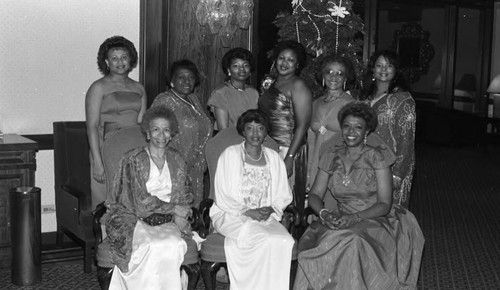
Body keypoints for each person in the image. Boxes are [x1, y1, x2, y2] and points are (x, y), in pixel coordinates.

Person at [294, 102, 424, 290]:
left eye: (358, 127)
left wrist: (354, 217)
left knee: (352, 241)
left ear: (367, 132)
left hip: (374, 218)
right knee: (321, 242)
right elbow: (314, 194)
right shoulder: (331, 155)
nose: (351, 131)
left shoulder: (376, 157)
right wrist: (324, 214)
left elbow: (385, 204)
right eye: (347, 126)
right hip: (339, 216)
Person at [102, 106, 193, 290]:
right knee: (151, 245)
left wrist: (180, 215)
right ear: (148, 133)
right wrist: (174, 208)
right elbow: (138, 201)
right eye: (156, 129)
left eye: (166, 130)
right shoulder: (133, 159)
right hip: (133, 218)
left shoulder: (177, 159)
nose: (161, 134)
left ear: (171, 134)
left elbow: (184, 192)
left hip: (168, 220)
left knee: (173, 244)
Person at [210, 109, 295, 290]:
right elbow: (221, 194)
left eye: (260, 128)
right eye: (250, 128)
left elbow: (283, 193)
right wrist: (247, 211)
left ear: (266, 132)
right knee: (261, 239)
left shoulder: (273, 158)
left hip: (265, 216)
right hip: (231, 214)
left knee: (284, 241)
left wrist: (272, 209)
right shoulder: (230, 155)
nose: (255, 134)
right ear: (243, 131)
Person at [85, 36, 147, 210]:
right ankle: (104, 235)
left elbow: (142, 123)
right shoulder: (98, 87)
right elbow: (91, 126)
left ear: (130, 60)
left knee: (134, 197)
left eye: (124, 57)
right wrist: (97, 161)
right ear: (106, 61)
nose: (120, 62)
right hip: (106, 147)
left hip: (133, 148)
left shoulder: (139, 88)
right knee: (107, 199)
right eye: (114, 58)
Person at [258, 40, 312, 216]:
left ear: (297, 65)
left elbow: (303, 125)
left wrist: (289, 157)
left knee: (283, 200)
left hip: (288, 148)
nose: (284, 63)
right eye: (281, 58)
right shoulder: (272, 84)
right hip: (269, 147)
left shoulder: (298, 85)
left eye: (290, 60)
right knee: (266, 197)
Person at [151, 59, 213, 208]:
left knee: (193, 210)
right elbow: (154, 133)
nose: (187, 81)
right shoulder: (164, 100)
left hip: (196, 167)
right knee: (176, 210)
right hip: (174, 167)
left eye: (190, 77)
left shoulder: (193, 99)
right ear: (172, 81)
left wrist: (200, 157)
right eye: (181, 77)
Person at [360, 49, 416, 207]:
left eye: (389, 66)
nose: (383, 70)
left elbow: (407, 140)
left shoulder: (403, 99)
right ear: (373, 68)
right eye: (379, 65)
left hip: (389, 165)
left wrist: (397, 175)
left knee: (387, 216)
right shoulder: (365, 95)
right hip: (363, 162)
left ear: (396, 70)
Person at [307, 54, 357, 195]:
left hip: (340, 166)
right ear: (322, 75)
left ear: (346, 78)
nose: (333, 77)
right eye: (329, 72)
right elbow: (311, 141)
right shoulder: (315, 104)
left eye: (339, 73)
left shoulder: (351, 105)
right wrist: (309, 171)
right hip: (317, 164)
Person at [208, 48, 259, 132]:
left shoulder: (253, 93)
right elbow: (223, 131)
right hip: (228, 141)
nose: (242, 69)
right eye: (236, 66)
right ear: (228, 70)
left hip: (251, 139)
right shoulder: (220, 93)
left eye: (245, 65)